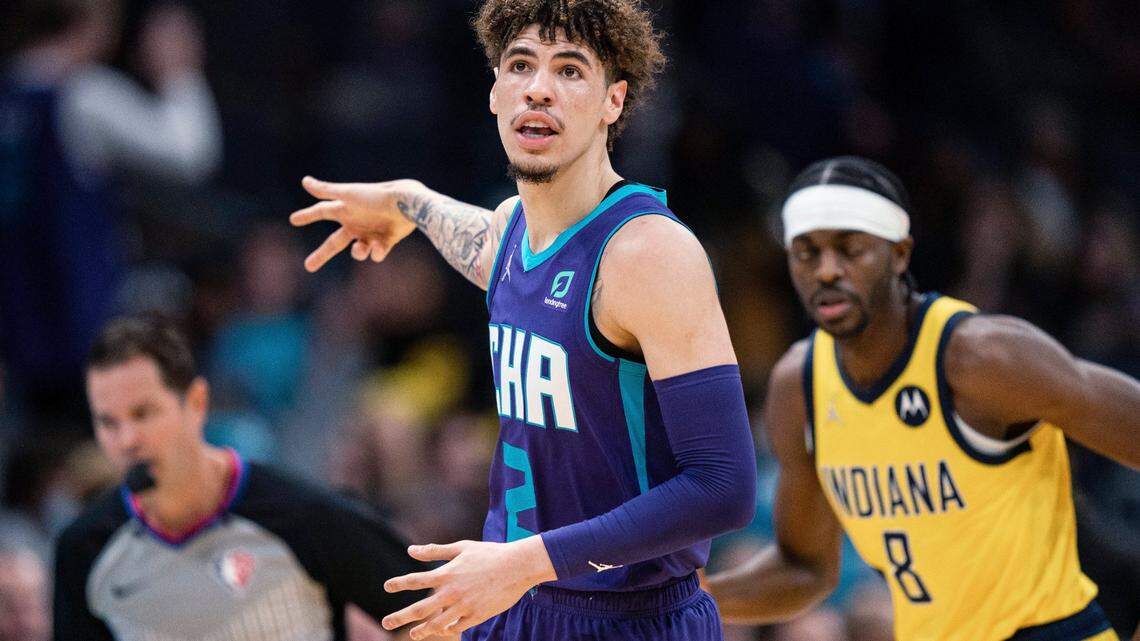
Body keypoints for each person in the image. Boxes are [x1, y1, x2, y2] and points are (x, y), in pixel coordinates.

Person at [289, 1, 757, 640]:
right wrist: (408, 201)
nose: (538, 88)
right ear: (495, 92)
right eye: (521, 65)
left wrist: (527, 563)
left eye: (569, 71)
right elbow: (474, 237)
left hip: (627, 617)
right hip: (511, 601)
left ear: (613, 101)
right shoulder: (513, 233)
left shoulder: (648, 254)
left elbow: (725, 487)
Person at [704, 156, 1140, 641]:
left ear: (900, 254)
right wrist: (691, 601)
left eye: (850, 250)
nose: (827, 271)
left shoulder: (984, 358)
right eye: (806, 253)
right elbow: (806, 569)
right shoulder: (799, 385)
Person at [53, 316, 436, 641]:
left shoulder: (300, 515)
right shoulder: (84, 551)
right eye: (108, 422)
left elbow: (433, 608)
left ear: (197, 403)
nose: (127, 440)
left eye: (144, 414)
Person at [0, 0, 221, 425]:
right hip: (76, 336)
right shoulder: (81, 95)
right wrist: (179, 71)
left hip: (15, 339)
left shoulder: (10, 95)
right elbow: (189, 153)